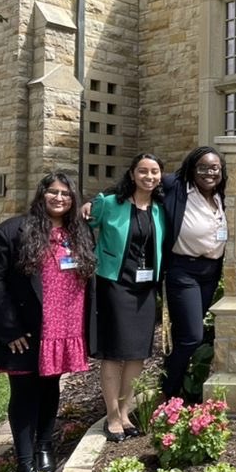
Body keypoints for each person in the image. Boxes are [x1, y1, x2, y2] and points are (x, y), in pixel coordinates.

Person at [0, 172, 96, 472]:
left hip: (63, 330)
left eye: (66, 194)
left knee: (51, 388)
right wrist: (9, 329)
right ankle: (25, 466)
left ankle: (44, 446)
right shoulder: (11, 231)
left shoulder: (78, 232)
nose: (59, 198)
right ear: (41, 194)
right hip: (26, 332)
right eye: (53, 192)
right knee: (25, 395)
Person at [88, 153, 166, 442]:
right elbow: (83, 224)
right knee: (113, 352)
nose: (149, 176)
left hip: (145, 289)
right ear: (132, 174)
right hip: (114, 285)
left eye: (155, 172)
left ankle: (124, 411)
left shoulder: (159, 208)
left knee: (137, 354)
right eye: (143, 171)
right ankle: (110, 415)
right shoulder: (109, 204)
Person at [160, 146, 229, 401]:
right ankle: (167, 392)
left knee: (186, 335)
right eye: (202, 167)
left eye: (214, 168)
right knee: (192, 336)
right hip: (183, 270)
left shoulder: (221, 196)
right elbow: (137, 181)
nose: (209, 173)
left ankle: (178, 387)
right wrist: (96, 201)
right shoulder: (176, 187)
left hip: (210, 272)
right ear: (191, 168)